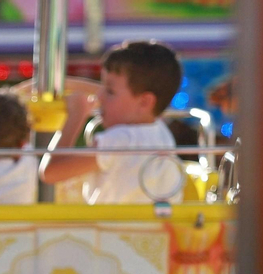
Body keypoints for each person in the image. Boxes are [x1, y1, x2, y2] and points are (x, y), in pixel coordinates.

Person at [40, 40, 184, 204]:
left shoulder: (120, 139)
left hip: (113, 228)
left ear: (145, 102)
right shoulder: (160, 132)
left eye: (109, 91)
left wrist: (75, 115)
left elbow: (50, 172)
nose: (99, 97)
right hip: (155, 227)